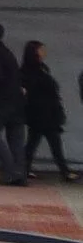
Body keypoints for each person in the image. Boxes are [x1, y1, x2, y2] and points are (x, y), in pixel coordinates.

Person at [0, 21, 29, 185]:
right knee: (16, 139)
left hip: (2, 102)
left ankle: (10, 170)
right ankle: (20, 174)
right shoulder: (8, 53)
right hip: (17, 102)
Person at [21, 41, 74, 182]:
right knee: (50, 142)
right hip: (40, 112)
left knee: (35, 142)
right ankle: (64, 171)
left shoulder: (42, 68)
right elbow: (31, 90)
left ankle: (24, 169)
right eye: (41, 50)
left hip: (48, 111)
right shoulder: (28, 71)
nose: (44, 52)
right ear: (34, 52)